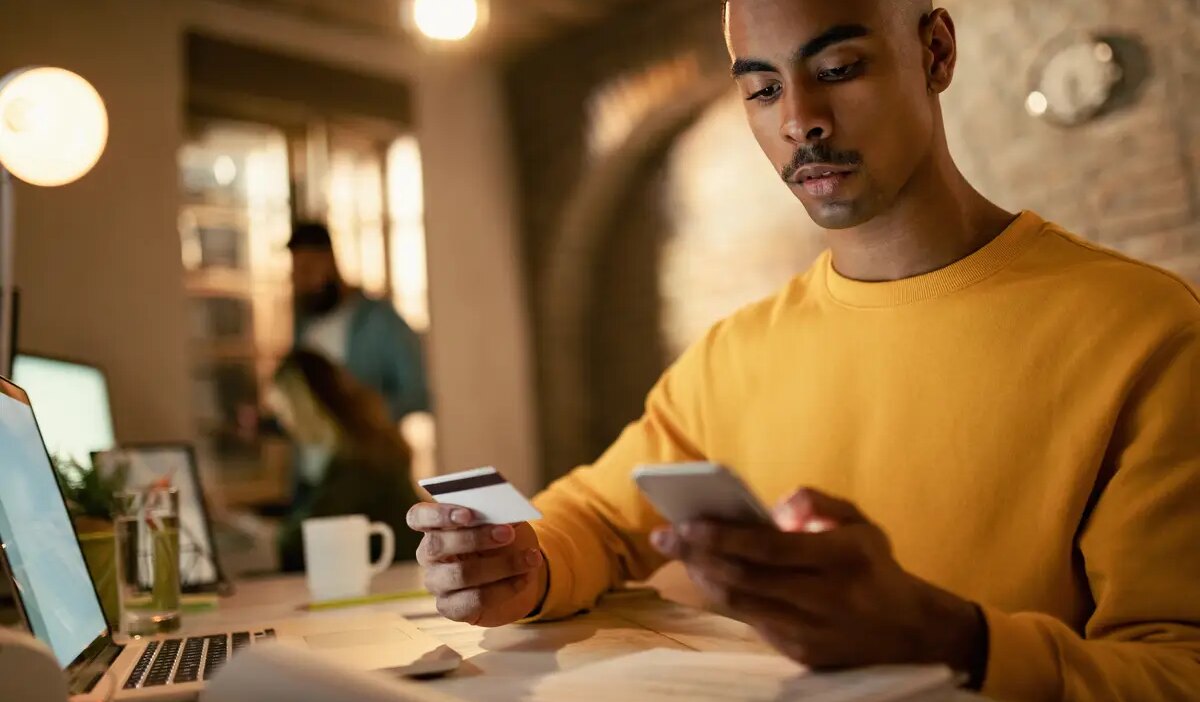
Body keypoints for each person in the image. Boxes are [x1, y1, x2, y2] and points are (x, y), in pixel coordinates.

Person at [408, 1, 1200, 699]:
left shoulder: (1142, 329)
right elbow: (594, 518)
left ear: (936, 53)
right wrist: (521, 565)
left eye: (838, 67)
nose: (799, 119)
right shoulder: (734, 354)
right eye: (761, 88)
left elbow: (1178, 670)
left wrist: (957, 639)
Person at [269, 350, 423, 572]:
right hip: (397, 573)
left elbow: (307, 537)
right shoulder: (359, 445)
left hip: (398, 577)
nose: (283, 422)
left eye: (283, 409)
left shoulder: (360, 460)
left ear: (302, 405)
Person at [288, 221, 430, 424]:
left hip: (370, 454)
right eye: (296, 273)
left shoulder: (378, 319)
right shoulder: (303, 328)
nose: (301, 282)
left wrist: (366, 415)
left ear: (329, 263)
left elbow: (419, 391)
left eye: (307, 270)